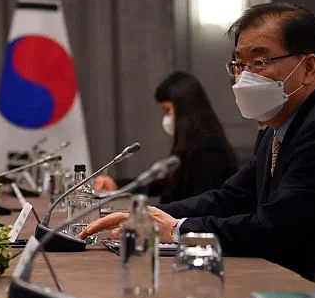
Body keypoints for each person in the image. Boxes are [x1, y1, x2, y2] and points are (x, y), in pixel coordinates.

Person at [81, 3, 315, 281]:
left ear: (308, 68)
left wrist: (178, 229)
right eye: (240, 64)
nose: (245, 76)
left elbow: (276, 228)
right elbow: (229, 198)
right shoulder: (275, 131)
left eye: (259, 62)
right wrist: (146, 215)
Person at [94, 71, 238, 203]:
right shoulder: (190, 145)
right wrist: (118, 185)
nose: (165, 117)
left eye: (167, 110)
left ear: (185, 110)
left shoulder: (210, 150)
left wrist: (154, 213)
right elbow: (164, 183)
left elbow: (200, 205)